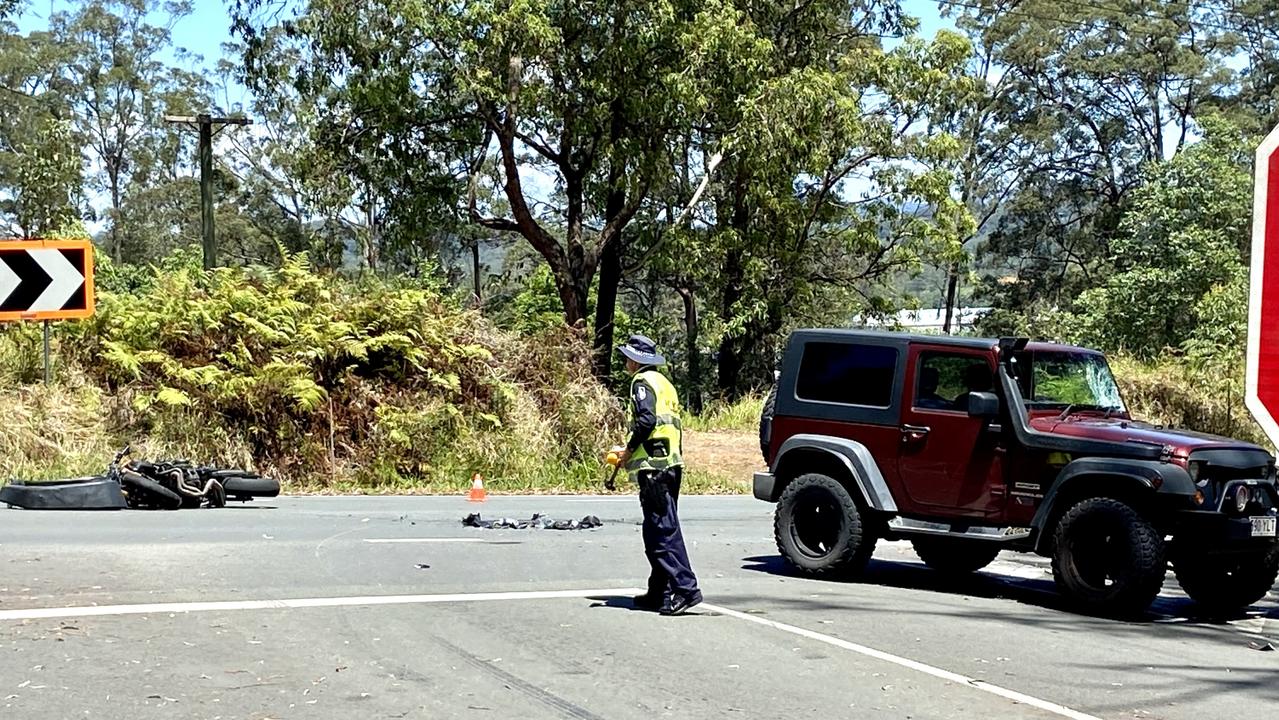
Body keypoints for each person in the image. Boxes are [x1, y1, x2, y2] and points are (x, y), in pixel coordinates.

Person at [616, 334, 702, 616]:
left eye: (627, 356)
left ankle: (686, 590)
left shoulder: (642, 383)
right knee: (655, 531)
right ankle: (658, 592)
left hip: (654, 469)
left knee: (662, 532)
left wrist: (627, 451)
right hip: (671, 465)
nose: (625, 361)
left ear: (636, 359)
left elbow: (646, 420)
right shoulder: (665, 383)